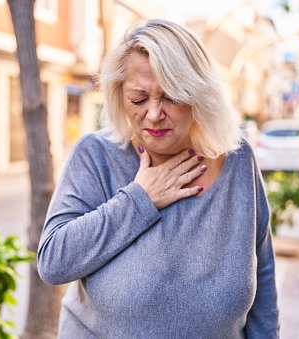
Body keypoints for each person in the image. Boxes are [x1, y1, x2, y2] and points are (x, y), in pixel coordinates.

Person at [37, 18, 279, 338]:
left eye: (171, 97)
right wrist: (140, 198)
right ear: (119, 94)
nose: (153, 114)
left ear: (198, 96)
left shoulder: (238, 161)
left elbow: (262, 288)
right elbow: (54, 261)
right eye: (139, 98)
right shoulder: (97, 156)